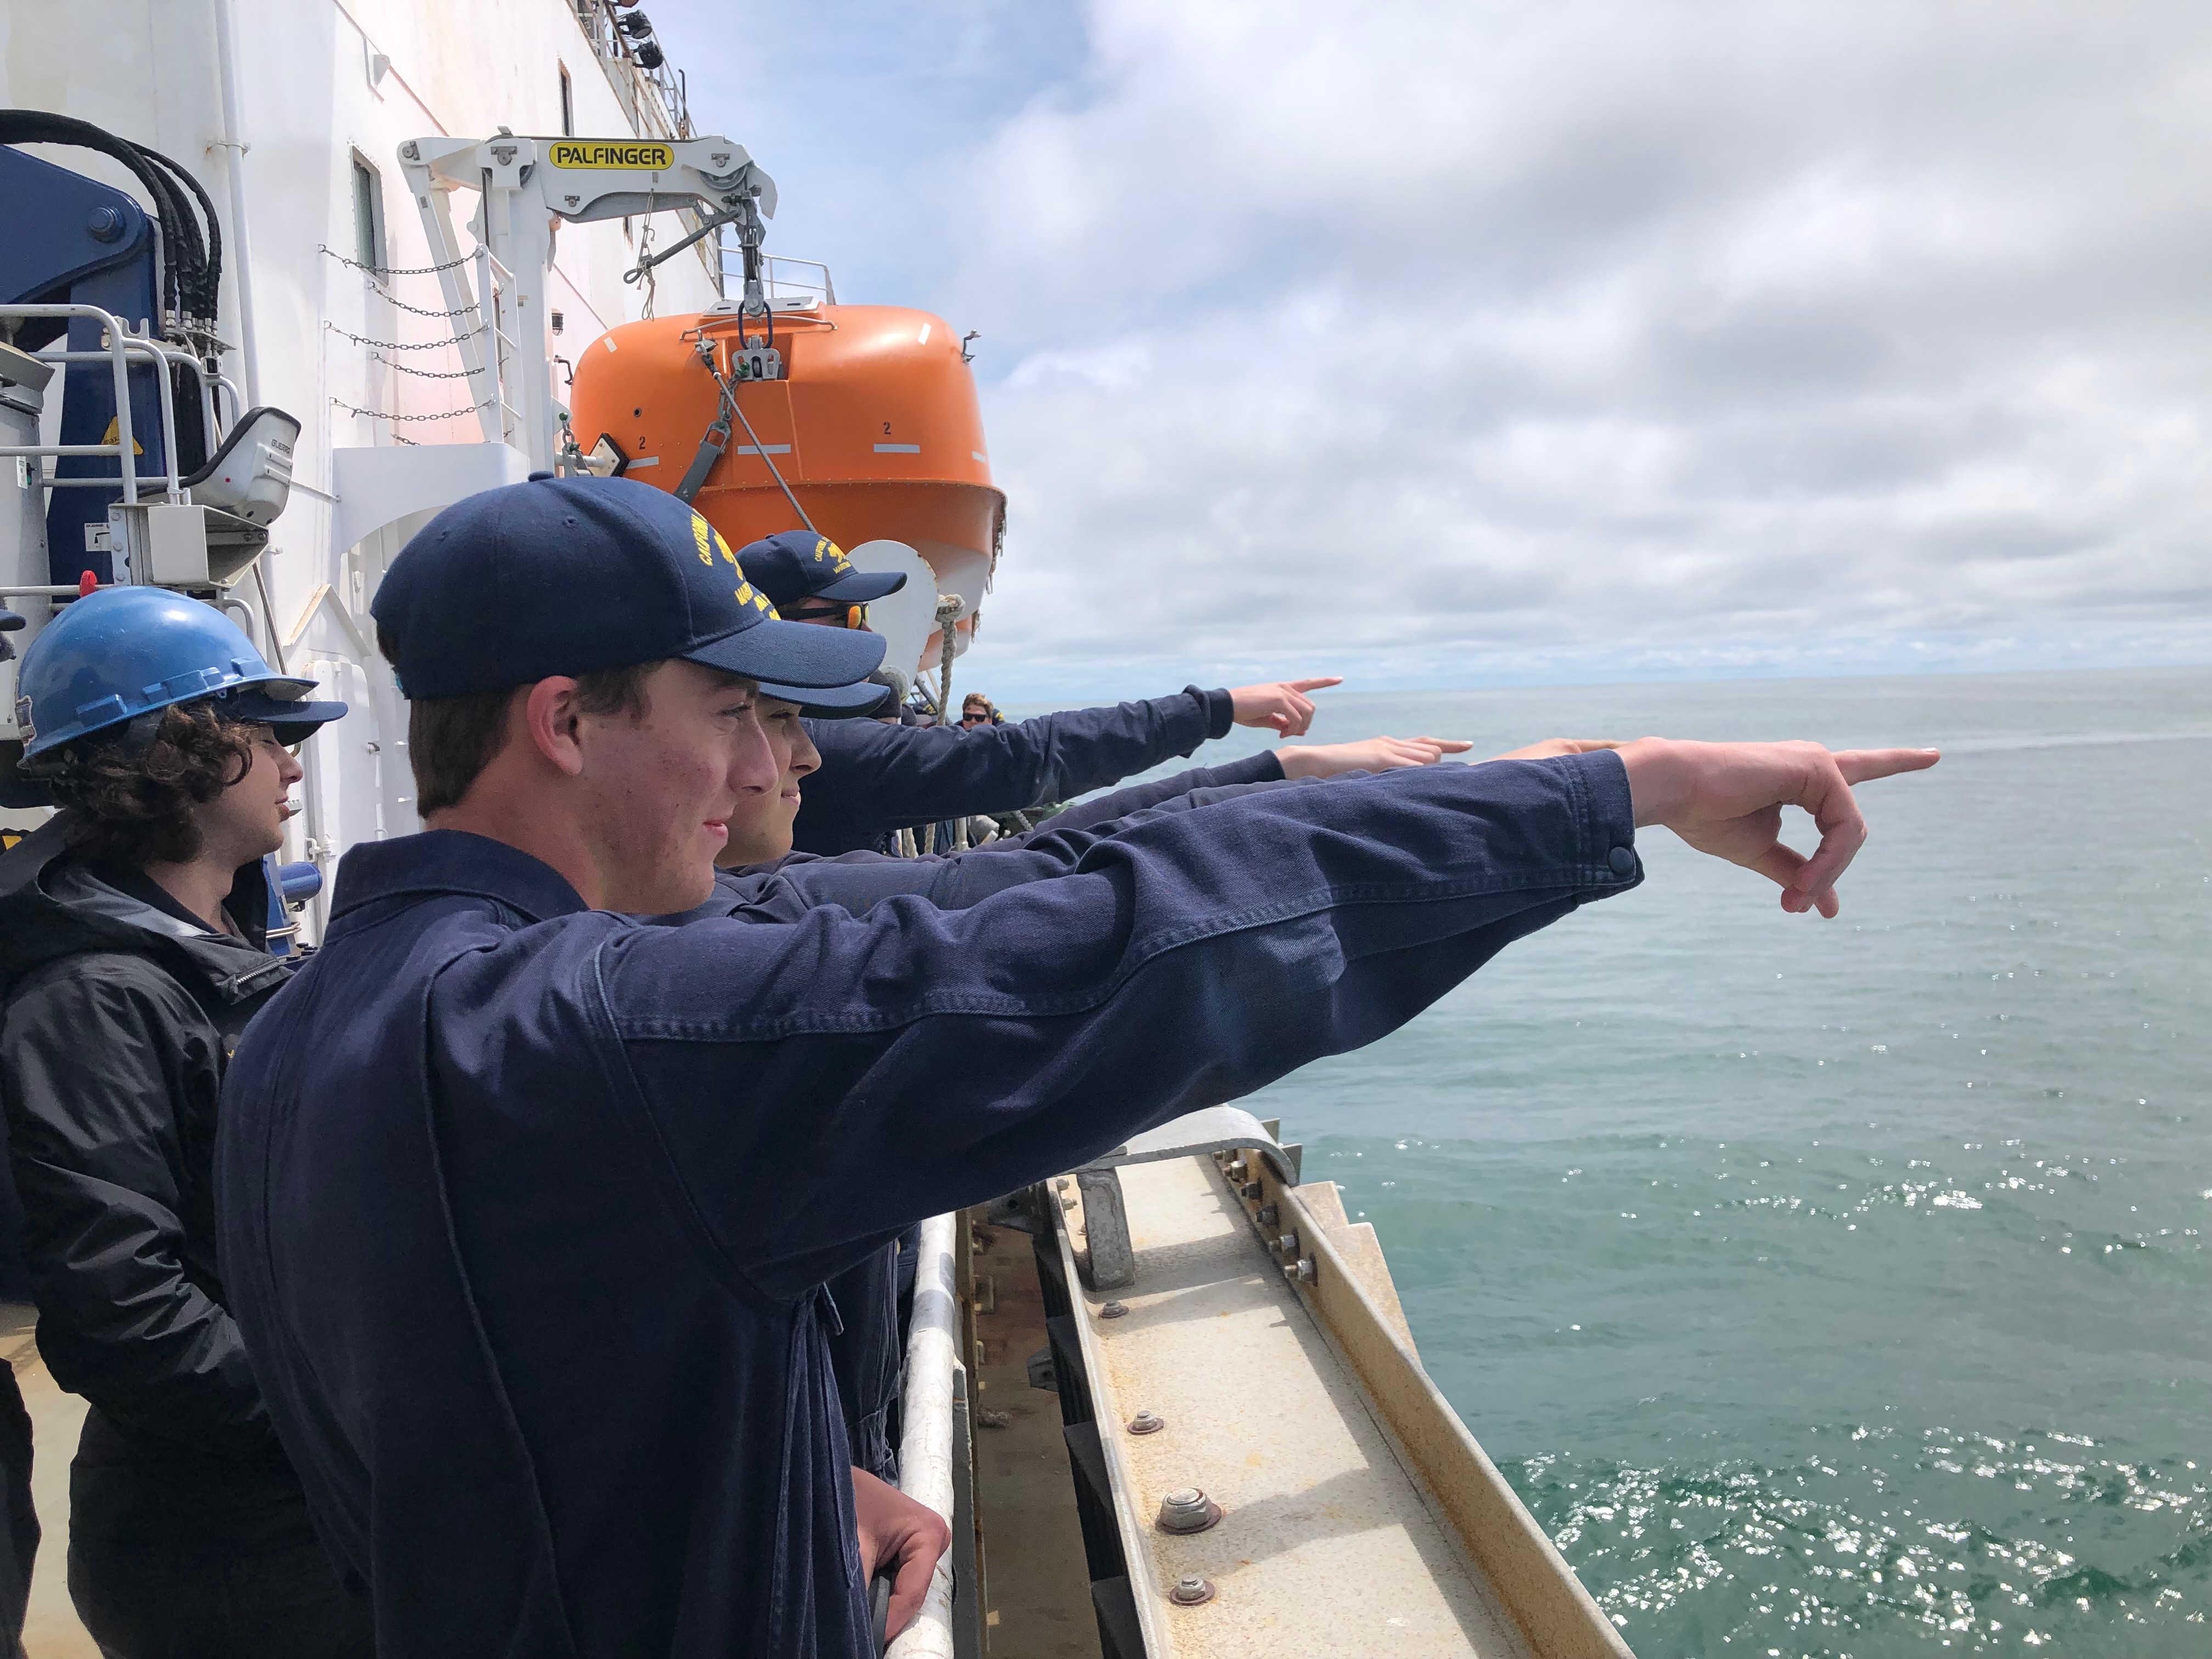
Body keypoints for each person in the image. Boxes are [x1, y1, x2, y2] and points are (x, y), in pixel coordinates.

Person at [215, 477, 1936, 1656]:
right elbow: (1098, 945)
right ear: (565, 721)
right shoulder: (598, 1035)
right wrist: (1620, 785)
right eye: (729, 712)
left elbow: (492, 1393)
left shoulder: (304, 1026)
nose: (769, 766)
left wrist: (787, 1475)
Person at [0, 587, 365, 1657]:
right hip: (225, 1543)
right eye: (265, 734)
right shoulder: (93, 998)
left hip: (300, 1509)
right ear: (182, 754)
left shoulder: (223, 957)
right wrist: (338, 1420)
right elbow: (124, 1312)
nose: (295, 763)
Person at [735, 527, 1401, 855]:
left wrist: (1285, 768)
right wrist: (1217, 715)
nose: (868, 632)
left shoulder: (846, 738)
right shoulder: (838, 754)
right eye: (849, 616)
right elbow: (1020, 769)